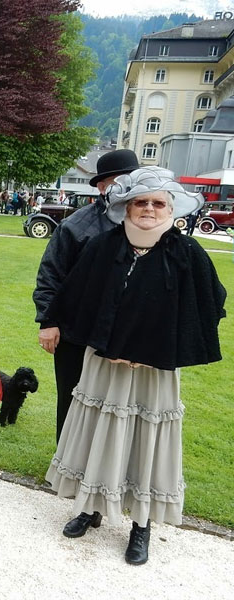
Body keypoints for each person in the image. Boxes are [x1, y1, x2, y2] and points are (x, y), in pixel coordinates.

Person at [43, 166, 226, 565]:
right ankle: (90, 508)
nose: (148, 209)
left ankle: (141, 524)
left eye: (157, 203)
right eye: (140, 202)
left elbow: (211, 303)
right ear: (126, 206)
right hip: (105, 363)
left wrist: (157, 344)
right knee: (97, 432)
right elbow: (74, 296)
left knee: (146, 440)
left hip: (153, 370)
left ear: (170, 209)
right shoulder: (102, 246)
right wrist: (55, 322)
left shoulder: (187, 253)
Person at [34, 149, 140, 444]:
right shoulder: (77, 226)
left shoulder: (144, 222)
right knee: (73, 397)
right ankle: (65, 462)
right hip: (75, 332)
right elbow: (50, 275)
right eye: (122, 180)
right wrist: (48, 321)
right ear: (103, 186)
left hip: (122, 334)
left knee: (118, 402)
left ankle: (104, 467)